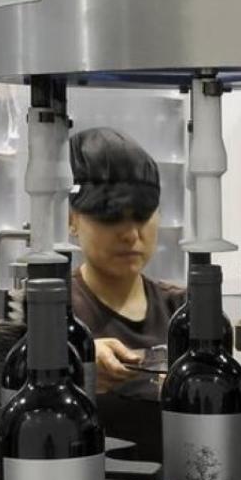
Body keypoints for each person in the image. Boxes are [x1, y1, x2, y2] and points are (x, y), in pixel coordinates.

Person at [68, 127, 185, 462]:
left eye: (143, 216)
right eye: (111, 217)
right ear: (71, 220)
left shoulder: (182, 309)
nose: (131, 234)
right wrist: (76, 363)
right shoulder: (53, 314)